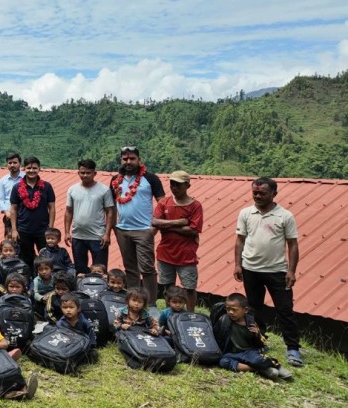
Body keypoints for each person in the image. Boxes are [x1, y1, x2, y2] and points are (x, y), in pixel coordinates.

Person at [234, 177, 303, 367]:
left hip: (277, 270)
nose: (257, 196)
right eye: (255, 192)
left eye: (262, 193)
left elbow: (293, 245)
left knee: (284, 309)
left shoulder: (285, 216)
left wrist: (291, 270)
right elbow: (240, 240)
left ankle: (293, 348)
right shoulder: (246, 213)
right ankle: (260, 340)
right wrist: (238, 264)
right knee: (254, 308)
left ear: (274, 194)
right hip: (251, 268)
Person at [110, 147, 164, 303]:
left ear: (139, 160)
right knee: (130, 269)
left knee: (147, 269)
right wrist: (114, 227)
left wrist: (153, 228)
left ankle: (150, 304)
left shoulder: (150, 178)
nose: (128, 162)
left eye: (132, 159)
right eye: (125, 159)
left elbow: (162, 204)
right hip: (122, 230)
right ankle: (133, 302)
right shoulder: (115, 179)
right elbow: (111, 205)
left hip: (143, 230)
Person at [152, 170, 203, 309]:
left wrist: (167, 226)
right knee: (167, 286)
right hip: (165, 252)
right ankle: (169, 312)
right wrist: (180, 222)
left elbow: (193, 230)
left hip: (186, 254)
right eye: (172, 184)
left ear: (187, 186)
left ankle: (190, 313)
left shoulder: (195, 205)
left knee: (189, 287)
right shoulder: (164, 203)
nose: (174, 188)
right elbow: (155, 222)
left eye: (178, 185)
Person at [215, 293, 294, 381]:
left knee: (257, 360)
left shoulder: (251, 322)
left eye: (234, 310)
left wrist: (257, 334)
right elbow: (216, 335)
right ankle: (259, 369)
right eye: (228, 309)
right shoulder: (223, 320)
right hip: (232, 353)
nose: (230, 312)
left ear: (245, 310)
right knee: (223, 362)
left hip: (248, 351)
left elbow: (261, 342)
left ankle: (277, 366)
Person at [65, 159, 115, 275]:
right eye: (82, 173)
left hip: (98, 237)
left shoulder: (104, 190)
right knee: (80, 270)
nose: (85, 175)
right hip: (78, 236)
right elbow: (68, 211)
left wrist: (107, 234)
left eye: (88, 172)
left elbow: (110, 212)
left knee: (99, 271)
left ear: (94, 173)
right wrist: (67, 232)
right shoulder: (72, 190)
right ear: (78, 173)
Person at [9, 156, 56, 270]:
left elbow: (52, 207)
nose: (31, 171)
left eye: (34, 168)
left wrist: (50, 228)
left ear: (39, 169)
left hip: (42, 230)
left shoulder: (46, 186)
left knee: (46, 259)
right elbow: (13, 209)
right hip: (24, 229)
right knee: (26, 259)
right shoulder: (17, 187)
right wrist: (14, 230)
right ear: (24, 168)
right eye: (29, 168)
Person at [56, 293, 98, 361]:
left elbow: (91, 337)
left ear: (78, 309)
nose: (68, 310)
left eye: (71, 307)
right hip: (67, 345)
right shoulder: (60, 323)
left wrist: (91, 348)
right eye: (65, 307)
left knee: (93, 355)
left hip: (82, 345)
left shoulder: (85, 322)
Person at [0, 152, 23, 237]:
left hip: (24, 215)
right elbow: (1, 199)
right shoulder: (3, 180)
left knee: (24, 240)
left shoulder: (25, 178)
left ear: (20, 164)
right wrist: (6, 212)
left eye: (15, 163)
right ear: (7, 165)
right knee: (9, 241)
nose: (12, 165)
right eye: (10, 163)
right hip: (9, 216)